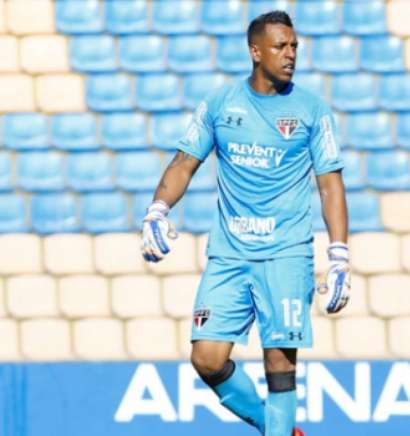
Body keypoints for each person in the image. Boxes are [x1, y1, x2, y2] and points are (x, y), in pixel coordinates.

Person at [139, 10, 350, 436]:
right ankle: (276, 427)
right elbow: (184, 163)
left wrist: (339, 253)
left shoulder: (312, 110)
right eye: (280, 46)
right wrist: (157, 209)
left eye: (294, 46)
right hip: (230, 253)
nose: (290, 54)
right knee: (207, 358)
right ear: (256, 51)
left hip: (285, 252)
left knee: (279, 360)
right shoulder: (220, 104)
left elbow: (330, 184)